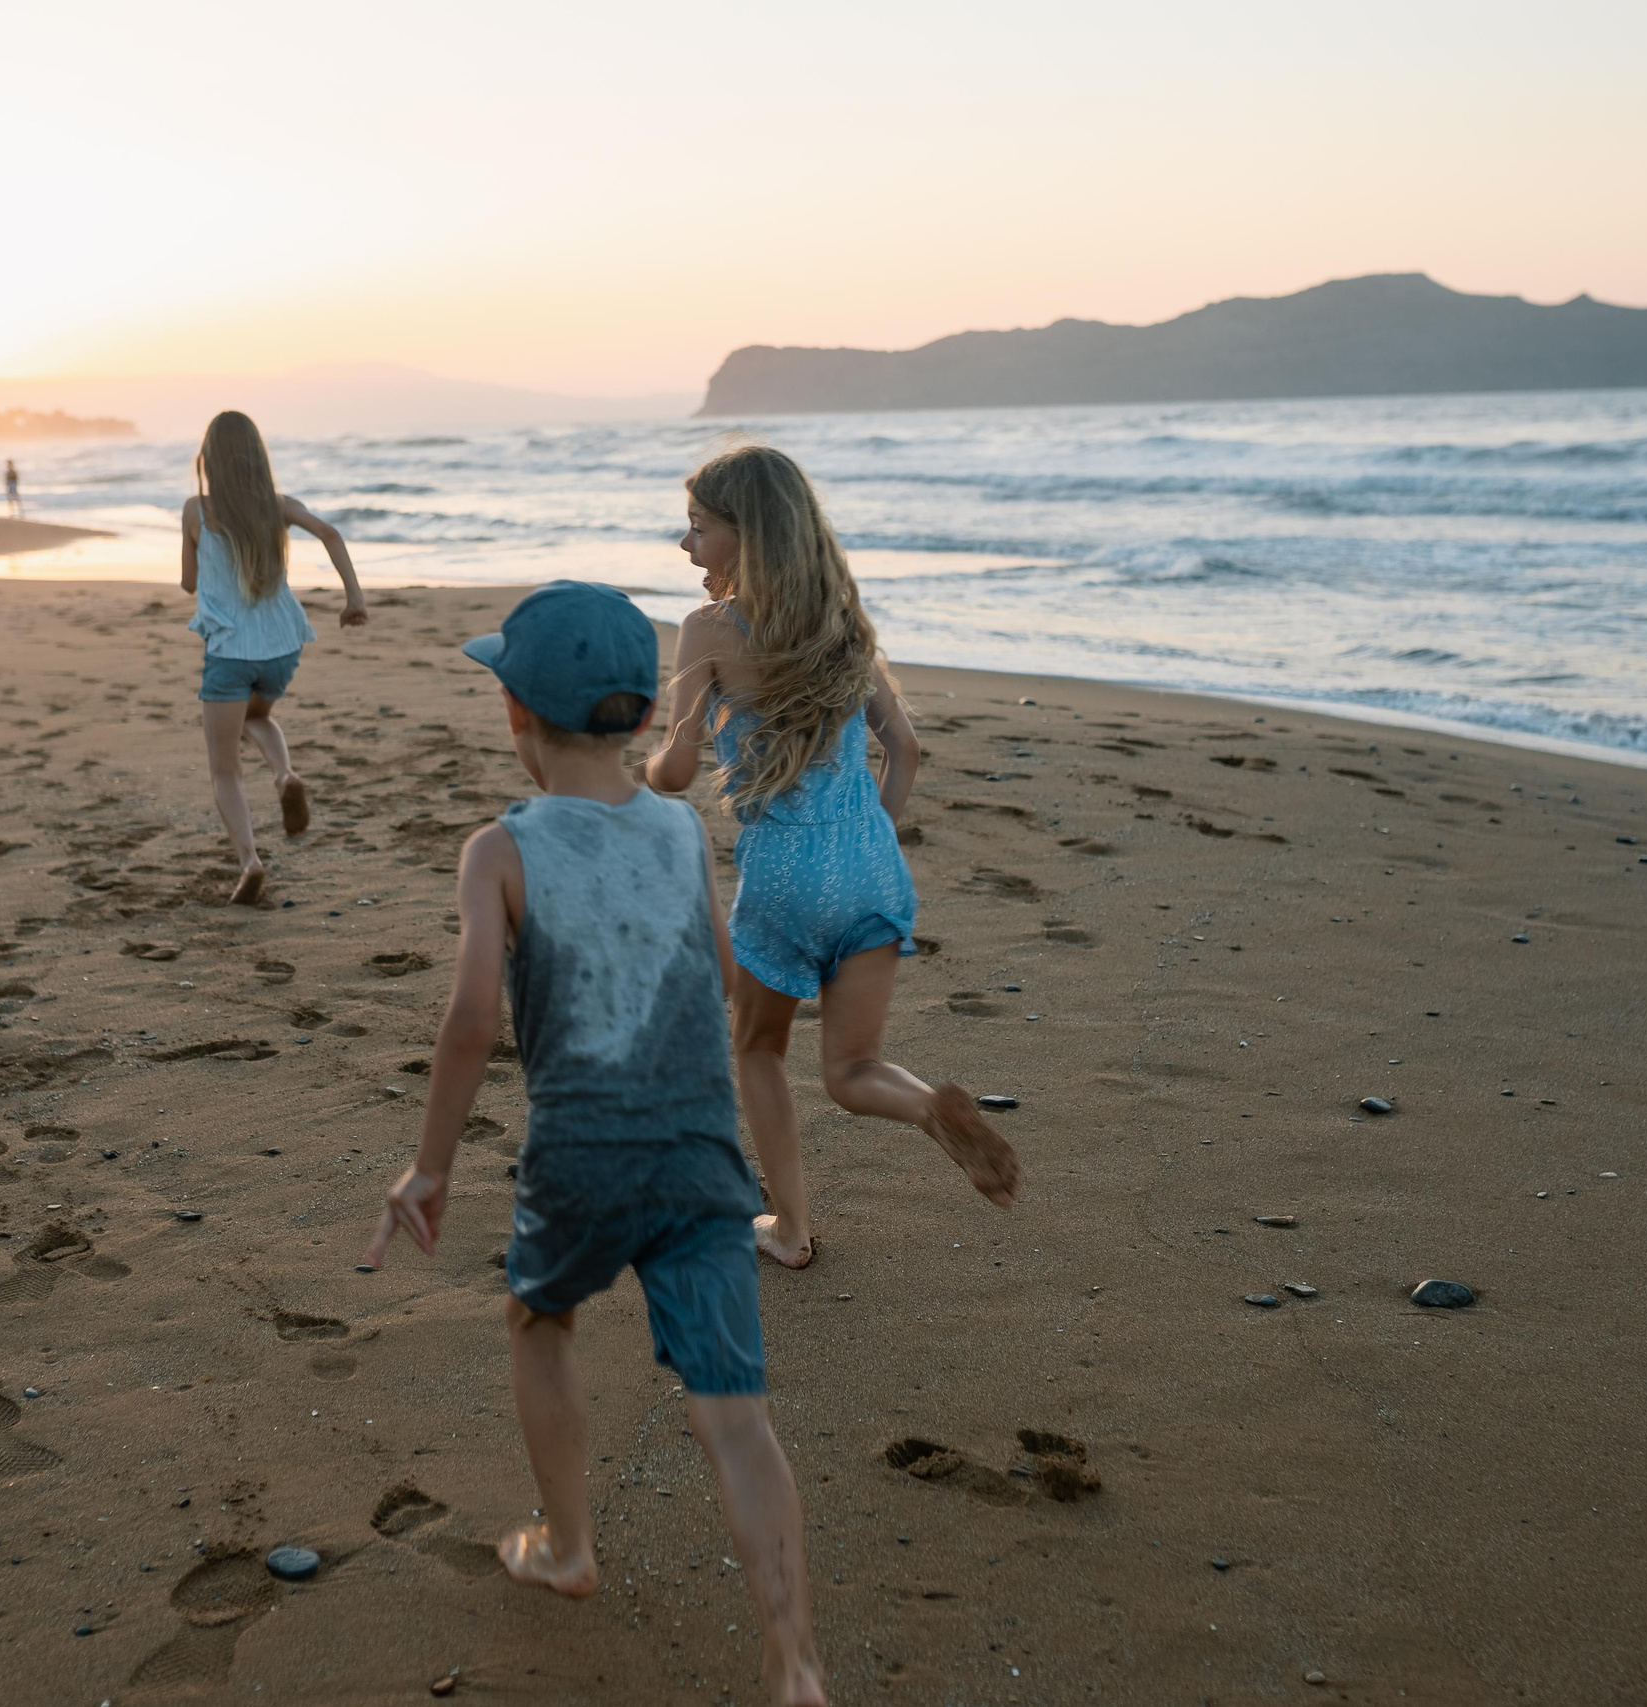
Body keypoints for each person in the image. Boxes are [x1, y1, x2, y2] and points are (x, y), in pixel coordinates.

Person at [366, 582, 826, 1707]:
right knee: (735, 1413)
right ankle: (794, 1663)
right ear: (638, 716)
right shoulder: (678, 829)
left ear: (515, 717)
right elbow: (724, 970)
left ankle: (567, 1546)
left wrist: (428, 1166)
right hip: (699, 1162)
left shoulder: (500, 850)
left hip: (580, 1160)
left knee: (540, 1318)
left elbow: (473, 1019)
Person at [638, 444, 1019, 1268]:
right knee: (854, 1068)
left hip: (782, 876)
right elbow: (905, 749)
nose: (685, 545)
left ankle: (792, 1230)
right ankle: (927, 1107)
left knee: (757, 1049)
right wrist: (870, 837)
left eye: (698, 529)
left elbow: (673, 776)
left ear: (745, 537)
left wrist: (658, 743)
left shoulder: (706, 630)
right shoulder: (845, 629)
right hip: (873, 872)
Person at [181, 409, 367, 904]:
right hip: (282, 645)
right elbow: (330, 533)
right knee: (258, 715)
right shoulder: (279, 505)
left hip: (229, 651)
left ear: (210, 460)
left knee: (224, 770)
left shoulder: (196, 511)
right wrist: (354, 599)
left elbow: (189, 583)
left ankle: (249, 862)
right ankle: (285, 774)